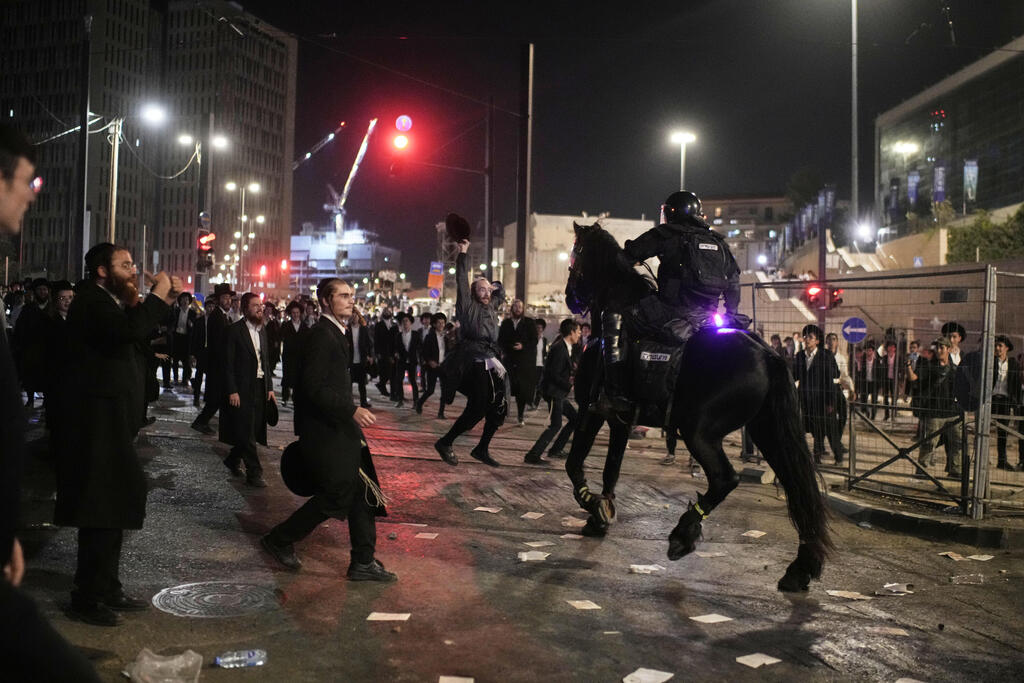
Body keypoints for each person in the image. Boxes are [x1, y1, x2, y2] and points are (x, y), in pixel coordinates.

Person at [55, 242, 180, 627]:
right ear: (102, 271)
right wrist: (158, 294)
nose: (133, 270)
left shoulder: (109, 301)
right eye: (125, 265)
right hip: (95, 421)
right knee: (101, 505)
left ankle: (106, 585)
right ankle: (87, 596)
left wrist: (165, 300)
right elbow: (129, 331)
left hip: (112, 418)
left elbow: (136, 334)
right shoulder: (91, 301)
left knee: (118, 501)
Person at [260, 279, 396, 582]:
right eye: (343, 296)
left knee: (364, 493)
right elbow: (311, 387)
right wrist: (351, 410)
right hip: (326, 432)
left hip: (341, 429)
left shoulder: (337, 332)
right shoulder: (322, 335)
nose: (351, 300)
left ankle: (363, 560)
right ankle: (279, 539)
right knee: (337, 496)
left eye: (352, 295)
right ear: (325, 301)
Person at [612, 190, 742, 410]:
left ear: (672, 212)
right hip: (710, 317)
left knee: (617, 319)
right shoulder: (718, 242)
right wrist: (730, 314)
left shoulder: (668, 233)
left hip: (670, 311)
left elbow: (629, 254)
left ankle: (617, 391)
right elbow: (734, 281)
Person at [434, 238, 507, 467]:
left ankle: (482, 448)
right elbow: (462, 281)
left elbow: (500, 292)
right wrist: (463, 253)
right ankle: (446, 442)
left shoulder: (491, 306)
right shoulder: (468, 306)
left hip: (493, 359)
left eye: (488, 290)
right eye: (481, 289)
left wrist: (495, 285)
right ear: (474, 292)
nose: (486, 293)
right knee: (478, 407)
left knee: (499, 406)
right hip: (474, 359)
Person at [219, 292, 275, 488]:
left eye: (260, 305)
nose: (260, 308)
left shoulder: (262, 330)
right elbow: (227, 364)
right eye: (255, 305)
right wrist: (232, 390)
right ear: (245, 309)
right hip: (242, 388)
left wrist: (269, 387)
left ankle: (233, 459)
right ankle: (254, 472)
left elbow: (265, 362)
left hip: (260, 387)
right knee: (247, 431)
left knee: (252, 429)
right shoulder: (234, 331)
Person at [525, 319, 580, 463]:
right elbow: (553, 374)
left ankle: (556, 449)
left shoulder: (565, 347)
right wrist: (569, 386)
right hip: (554, 393)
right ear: (571, 332)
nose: (580, 334)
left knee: (575, 419)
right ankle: (533, 455)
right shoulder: (559, 348)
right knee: (555, 425)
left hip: (559, 393)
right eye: (578, 331)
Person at [908, 336, 961, 479]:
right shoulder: (928, 367)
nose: (938, 350)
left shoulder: (955, 370)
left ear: (948, 349)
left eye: (942, 348)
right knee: (929, 442)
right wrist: (908, 367)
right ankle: (922, 469)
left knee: (956, 443)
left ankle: (955, 470)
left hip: (952, 412)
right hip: (934, 412)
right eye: (937, 347)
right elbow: (915, 379)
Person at [793, 324, 844, 464]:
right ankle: (815, 458)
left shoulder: (824, 356)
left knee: (830, 430)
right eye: (805, 337)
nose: (807, 339)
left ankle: (838, 456)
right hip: (806, 400)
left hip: (823, 399)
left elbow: (829, 381)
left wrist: (830, 402)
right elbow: (794, 376)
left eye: (810, 337)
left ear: (817, 341)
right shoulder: (799, 356)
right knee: (814, 430)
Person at [191, 283, 234, 434]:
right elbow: (220, 343)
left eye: (229, 298)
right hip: (217, 364)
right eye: (224, 298)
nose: (228, 301)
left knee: (217, 398)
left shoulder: (223, 316)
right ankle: (200, 422)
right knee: (215, 399)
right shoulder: (217, 316)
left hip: (218, 364)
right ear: (218, 300)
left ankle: (208, 423)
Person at [12, 277, 53, 407]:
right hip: (31, 349)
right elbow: (20, 328)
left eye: (44, 290)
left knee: (47, 377)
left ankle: (47, 400)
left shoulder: (53, 309)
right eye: (40, 290)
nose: (42, 292)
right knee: (30, 376)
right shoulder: (28, 309)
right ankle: (30, 399)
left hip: (48, 350)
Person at [499, 299, 539, 426]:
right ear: (511, 308)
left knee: (521, 391)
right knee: (506, 388)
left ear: (523, 309)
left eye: (520, 307)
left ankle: (520, 415)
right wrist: (507, 349)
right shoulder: (506, 323)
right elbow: (500, 340)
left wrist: (523, 346)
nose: (517, 309)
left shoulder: (529, 323)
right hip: (509, 361)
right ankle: (503, 414)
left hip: (524, 362)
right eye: (515, 306)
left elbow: (534, 341)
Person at [992, 335, 1022, 471]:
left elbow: (1015, 385)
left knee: (1003, 432)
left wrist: (1015, 403)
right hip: (991, 400)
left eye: (1000, 346)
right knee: (982, 430)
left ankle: (1002, 460)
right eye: (996, 345)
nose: (997, 348)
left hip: (1004, 401)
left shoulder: (1013, 364)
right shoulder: (991, 362)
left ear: (1007, 348)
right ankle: (982, 459)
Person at [415, 312, 448, 417]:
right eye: (439, 323)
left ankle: (441, 412)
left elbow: (449, 351)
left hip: (443, 366)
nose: (441, 325)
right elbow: (424, 351)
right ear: (434, 324)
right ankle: (419, 403)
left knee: (444, 390)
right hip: (433, 366)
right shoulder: (430, 336)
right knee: (430, 390)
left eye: (443, 323)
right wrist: (430, 361)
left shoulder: (445, 337)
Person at [391, 312, 421, 408]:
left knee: (413, 381)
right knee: (399, 380)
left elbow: (420, 347)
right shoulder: (398, 335)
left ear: (410, 323)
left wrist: (420, 358)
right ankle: (400, 399)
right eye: (403, 321)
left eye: (407, 321)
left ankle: (416, 401)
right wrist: (395, 353)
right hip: (401, 361)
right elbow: (395, 347)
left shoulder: (416, 334)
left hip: (412, 361)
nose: (405, 323)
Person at [279, 300, 306, 405]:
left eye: (297, 313)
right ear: (291, 313)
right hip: (288, 355)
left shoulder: (304, 327)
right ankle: (284, 398)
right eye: (293, 313)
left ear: (300, 313)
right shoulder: (286, 325)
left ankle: (296, 398)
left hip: (300, 356)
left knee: (298, 377)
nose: (295, 315)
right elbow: (281, 337)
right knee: (286, 376)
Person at [347, 306, 374, 409]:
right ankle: (350, 403)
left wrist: (370, 356)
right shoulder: (347, 330)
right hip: (351, 360)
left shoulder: (363, 329)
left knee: (362, 384)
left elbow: (369, 343)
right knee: (349, 384)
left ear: (359, 317)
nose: (354, 317)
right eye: (352, 315)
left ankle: (363, 402)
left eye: (356, 315)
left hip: (361, 359)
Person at [166, 291, 195, 388]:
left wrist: (191, 325)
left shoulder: (192, 313)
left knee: (186, 361)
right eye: (183, 299)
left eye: (187, 299)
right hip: (177, 337)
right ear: (180, 301)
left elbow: (194, 326)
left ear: (189, 301)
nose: (185, 301)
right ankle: (175, 378)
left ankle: (185, 379)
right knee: (175, 360)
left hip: (186, 338)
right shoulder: (176, 311)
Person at [856, 344, 883, 420]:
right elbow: (859, 372)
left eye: (870, 350)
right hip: (865, 383)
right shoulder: (863, 361)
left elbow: (880, 374)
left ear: (873, 352)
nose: (868, 352)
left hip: (874, 384)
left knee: (874, 401)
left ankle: (873, 416)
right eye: (867, 350)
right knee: (863, 400)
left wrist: (879, 385)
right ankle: (866, 413)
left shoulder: (877, 362)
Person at [374, 308, 396, 398]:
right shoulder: (379, 325)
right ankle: (382, 387)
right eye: (386, 312)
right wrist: (377, 352)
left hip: (392, 351)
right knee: (384, 372)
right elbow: (376, 339)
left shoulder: (394, 325)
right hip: (382, 352)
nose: (387, 313)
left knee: (392, 372)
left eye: (389, 312)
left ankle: (390, 390)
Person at [531, 317, 549, 409]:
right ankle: (530, 402)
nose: (539, 329)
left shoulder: (544, 340)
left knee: (540, 385)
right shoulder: (531, 339)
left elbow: (544, 352)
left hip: (541, 365)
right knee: (532, 385)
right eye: (537, 327)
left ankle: (536, 403)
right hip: (532, 365)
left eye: (540, 328)